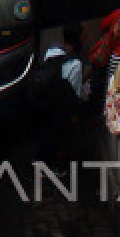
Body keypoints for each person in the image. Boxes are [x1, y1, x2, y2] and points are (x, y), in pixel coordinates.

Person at [31, 22, 87, 170]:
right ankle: (58, 167)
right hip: (60, 108)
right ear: (79, 39)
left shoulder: (51, 52)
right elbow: (74, 93)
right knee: (62, 137)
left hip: (43, 103)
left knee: (46, 135)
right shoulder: (76, 64)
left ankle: (41, 162)